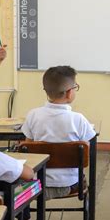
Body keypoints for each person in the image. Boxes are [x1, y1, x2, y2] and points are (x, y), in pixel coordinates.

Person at [21, 65, 96, 197]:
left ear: (46, 90)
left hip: (37, 183)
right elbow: (86, 152)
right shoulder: (79, 119)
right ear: (69, 92)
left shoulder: (33, 115)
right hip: (70, 184)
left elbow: (28, 148)